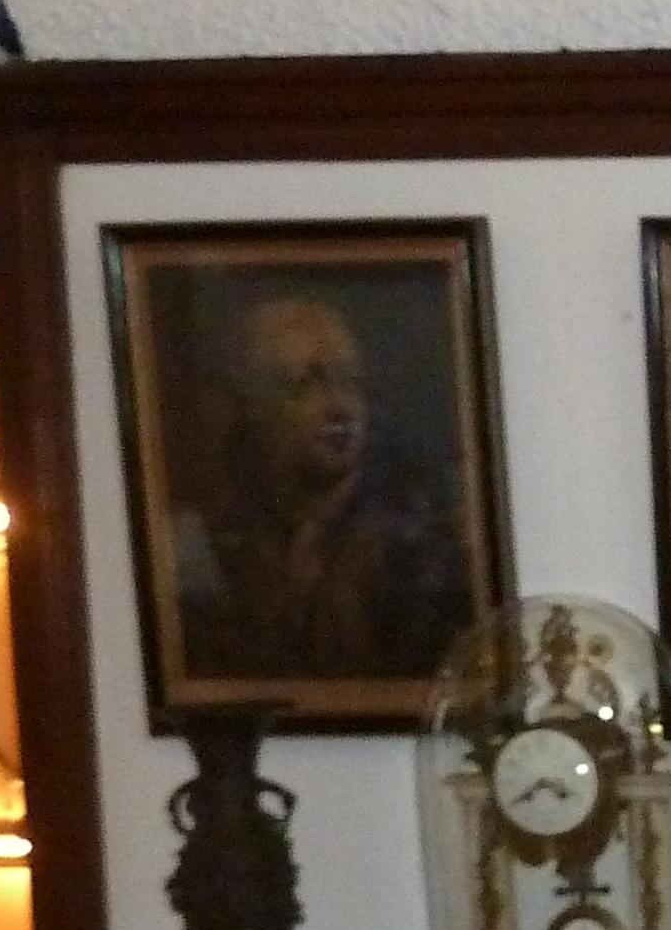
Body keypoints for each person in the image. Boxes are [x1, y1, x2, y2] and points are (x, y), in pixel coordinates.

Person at [169, 293, 473, 684]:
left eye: (350, 382)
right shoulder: (208, 544)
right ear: (256, 408)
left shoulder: (417, 537)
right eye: (304, 386)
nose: (340, 407)